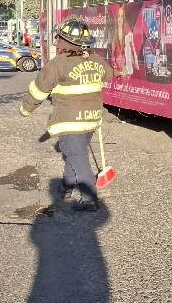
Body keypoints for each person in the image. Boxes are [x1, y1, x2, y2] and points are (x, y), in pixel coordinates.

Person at [19, 18, 113, 212]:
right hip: (92, 118)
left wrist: (26, 109)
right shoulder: (95, 59)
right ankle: (67, 186)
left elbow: (39, 90)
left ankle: (89, 199)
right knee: (73, 153)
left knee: (77, 156)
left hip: (70, 120)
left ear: (63, 40)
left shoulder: (58, 64)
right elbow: (109, 74)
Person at [110, 4, 139, 78]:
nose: (120, 19)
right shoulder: (113, 36)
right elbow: (113, 57)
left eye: (121, 16)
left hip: (127, 72)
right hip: (117, 72)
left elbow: (133, 53)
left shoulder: (128, 35)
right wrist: (117, 69)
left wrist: (128, 67)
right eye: (118, 16)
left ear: (124, 18)